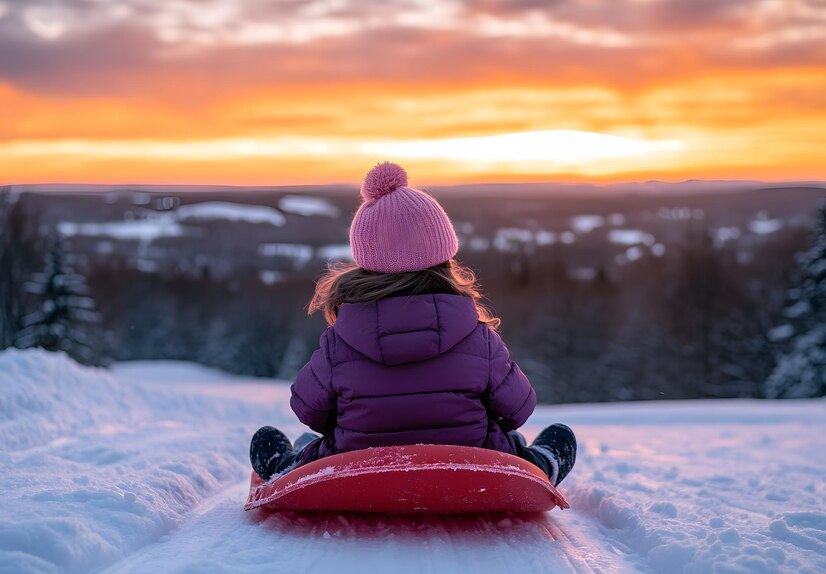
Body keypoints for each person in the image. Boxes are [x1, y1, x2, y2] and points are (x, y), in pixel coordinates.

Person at [250, 162, 576, 487]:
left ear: (365, 264)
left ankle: (286, 468)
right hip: (471, 462)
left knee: (276, 442)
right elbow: (518, 410)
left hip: (359, 463)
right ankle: (541, 466)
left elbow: (309, 412)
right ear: (445, 260)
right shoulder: (478, 337)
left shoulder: (339, 341)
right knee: (551, 439)